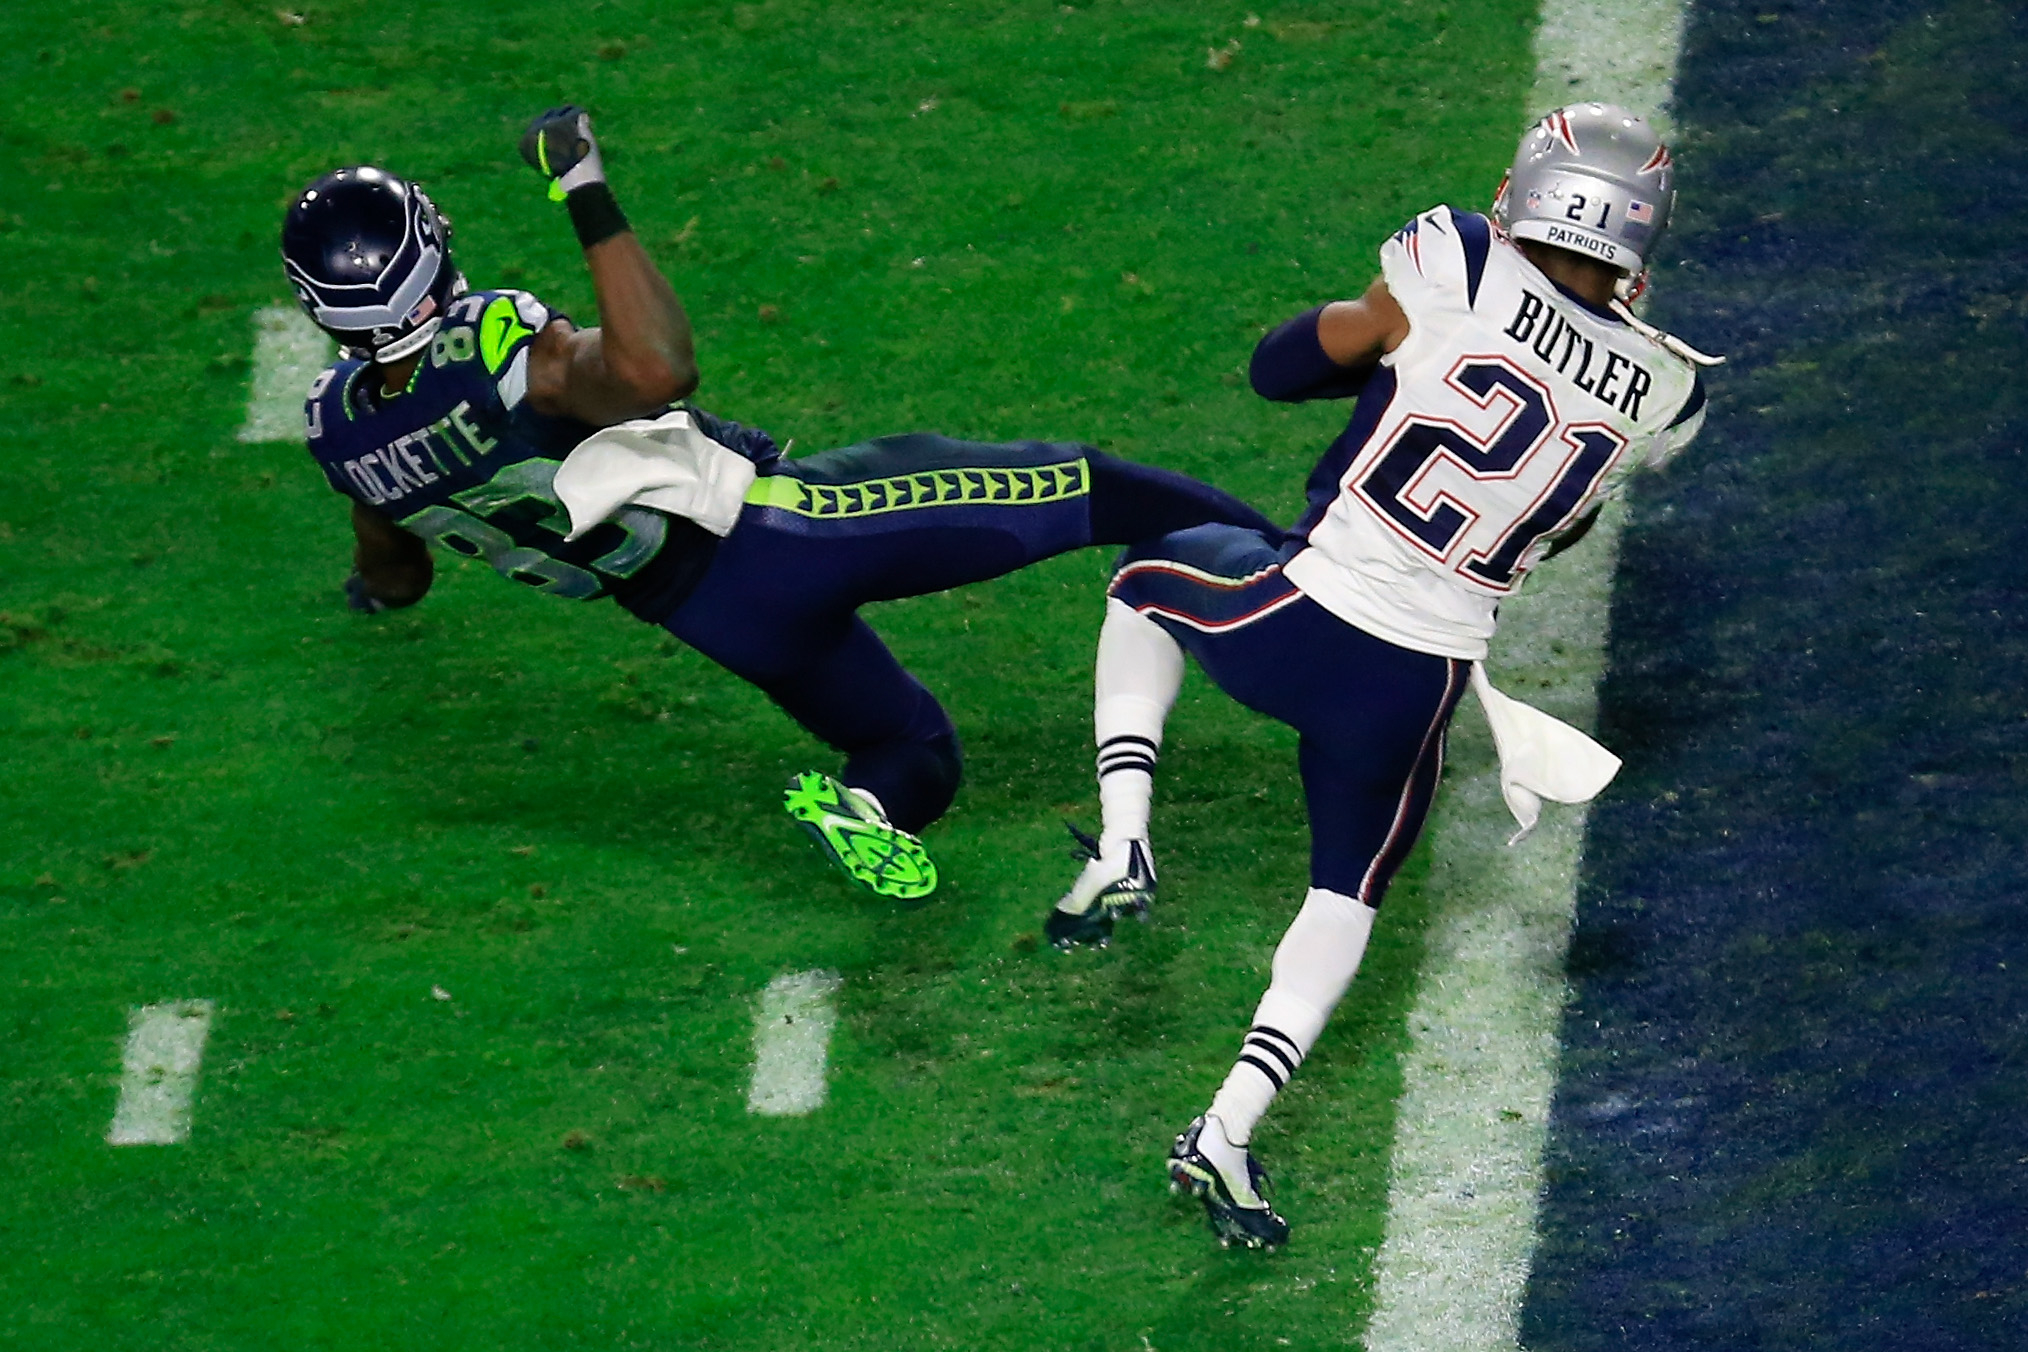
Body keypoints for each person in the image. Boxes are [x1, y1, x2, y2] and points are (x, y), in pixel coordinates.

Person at [287, 107, 1276, 900]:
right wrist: (582, 183)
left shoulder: (340, 433)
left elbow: (397, 571)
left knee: (910, 748)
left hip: (703, 612)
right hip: (777, 524)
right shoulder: (496, 347)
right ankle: (1311, 564)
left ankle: (867, 808)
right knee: (1090, 485)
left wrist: (371, 593)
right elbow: (655, 369)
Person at [1045, 103, 1719, 1248]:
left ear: (1532, 190)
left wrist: (1392, 350)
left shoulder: (1456, 252)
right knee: (1343, 894)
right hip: (1420, 683)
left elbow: (1286, 366)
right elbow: (1557, 534)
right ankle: (1228, 1125)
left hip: (1301, 612)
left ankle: (1124, 837)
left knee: (1144, 581)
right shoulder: (1672, 396)